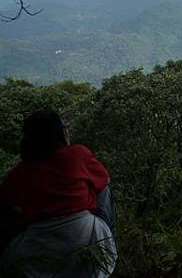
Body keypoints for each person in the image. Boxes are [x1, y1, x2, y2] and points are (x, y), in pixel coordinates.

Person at [0, 109, 117, 277]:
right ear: (59, 133)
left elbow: (3, 202)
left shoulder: (22, 171)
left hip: (36, 244)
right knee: (104, 189)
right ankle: (108, 244)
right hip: (87, 236)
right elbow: (104, 180)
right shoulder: (77, 154)